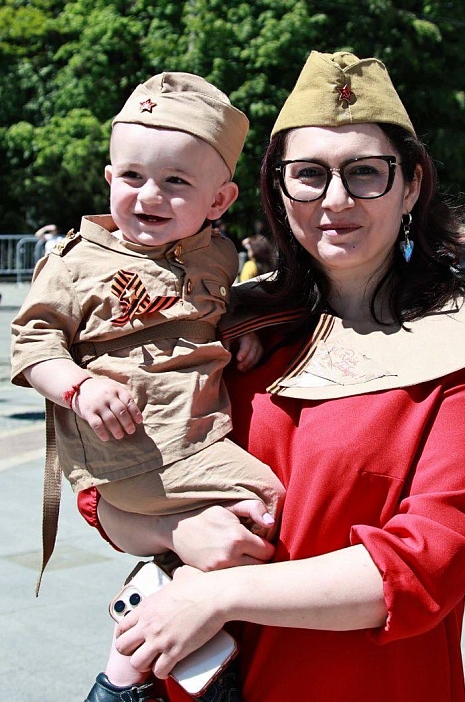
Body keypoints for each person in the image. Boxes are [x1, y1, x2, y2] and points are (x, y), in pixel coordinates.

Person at [75, 51, 465, 702]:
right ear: (278, 189)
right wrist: (171, 530)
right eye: (309, 174)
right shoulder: (222, 325)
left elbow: (427, 563)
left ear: (410, 185)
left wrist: (220, 593)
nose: (336, 199)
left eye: (365, 172)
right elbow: (102, 491)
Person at [11, 72, 286, 702]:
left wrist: (237, 331)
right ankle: (170, 629)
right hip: (133, 447)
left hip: (191, 440)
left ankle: (139, 650)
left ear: (218, 200)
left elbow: (211, 312)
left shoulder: (217, 255)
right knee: (267, 502)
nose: (149, 195)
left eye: (176, 182)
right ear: (109, 178)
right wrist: (77, 386)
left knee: (232, 526)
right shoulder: (76, 261)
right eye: (132, 176)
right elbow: (31, 344)